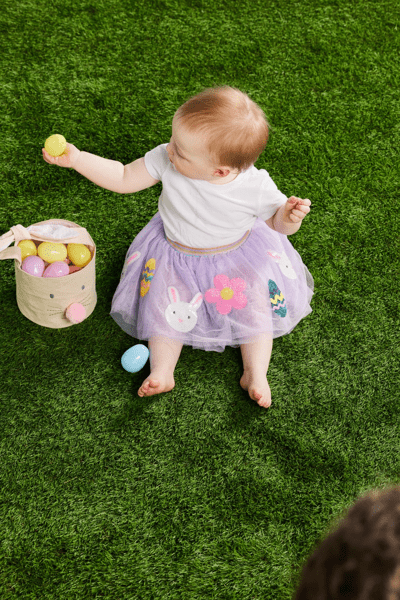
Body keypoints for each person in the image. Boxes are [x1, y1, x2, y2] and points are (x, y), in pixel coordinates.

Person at [42, 85, 400, 599]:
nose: (169, 151)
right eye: (172, 141)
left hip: (237, 258)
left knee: (256, 313)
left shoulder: (253, 186)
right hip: (174, 253)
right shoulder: (168, 157)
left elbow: (276, 222)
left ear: (221, 172)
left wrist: (289, 218)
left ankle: (256, 370)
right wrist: (77, 159)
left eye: (181, 150)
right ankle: (162, 369)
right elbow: (122, 177)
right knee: (164, 310)